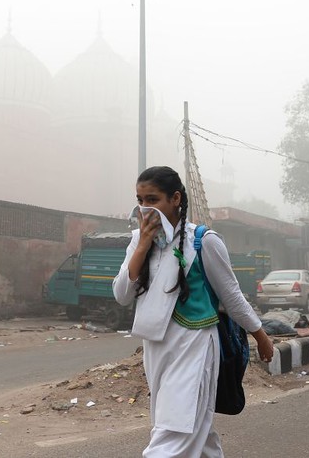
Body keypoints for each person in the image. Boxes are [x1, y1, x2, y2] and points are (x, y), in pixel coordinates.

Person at [112, 166, 275, 457]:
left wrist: (260, 334)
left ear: (175, 199)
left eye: (153, 199)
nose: (145, 208)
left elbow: (231, 295)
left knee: (177, 430)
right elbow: (122, 295)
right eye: (140, 200)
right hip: (156, 345)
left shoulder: (204, 240)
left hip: (195, 344)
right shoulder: (139, 241)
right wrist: (142, 247)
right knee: (192, 428)